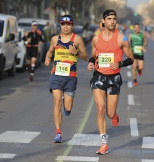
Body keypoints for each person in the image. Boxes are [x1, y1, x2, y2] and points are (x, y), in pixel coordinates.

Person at [87, 9, 134, 154]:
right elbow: (93, 56)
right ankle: (103, 143)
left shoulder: (122, 39)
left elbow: (131, 58)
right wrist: (90, 63)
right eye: (109, 19)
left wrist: (119, 64)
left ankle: (115, 115)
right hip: (99, 76)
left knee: (110, 113)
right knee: (100, 108)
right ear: (103, 21)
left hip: (114, 78)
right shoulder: (96, 39)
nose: (112, 21)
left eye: (114, 19)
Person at [45, 15, 88, 143]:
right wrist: (47, 58)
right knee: (56, 101)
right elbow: (50, 51)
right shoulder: (55, 39)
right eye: (63, 24)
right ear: (60, 25)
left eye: (68, 24)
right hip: (56, 75)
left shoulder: (77, 39)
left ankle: (67, 103)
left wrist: (76, 53)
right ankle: (58, 132)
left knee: (68, 108)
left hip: (71, 76)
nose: (65, 27)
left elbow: (86, 56)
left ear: (72, 26)